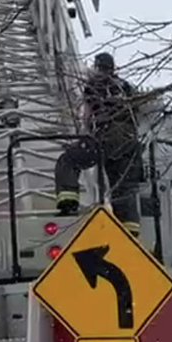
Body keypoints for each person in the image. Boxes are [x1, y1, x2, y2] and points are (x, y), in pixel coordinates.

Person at [54, 52, 145, 235]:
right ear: (113, 67)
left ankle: (68, 202)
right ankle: (130, 229)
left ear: (97, 67)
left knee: (68, 160)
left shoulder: (94, 86)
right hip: (129, 143)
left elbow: (87, 117)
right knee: (122, 184)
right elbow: (138, 116)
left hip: (104, 139)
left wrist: (83, 139)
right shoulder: (126, 87)